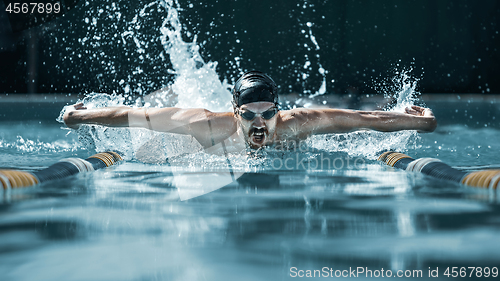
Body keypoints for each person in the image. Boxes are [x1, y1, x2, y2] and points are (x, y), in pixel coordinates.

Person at [63, 71, 437, 152]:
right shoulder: (208, 125)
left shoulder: (298, 124)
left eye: (268, 113)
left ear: (280, 110)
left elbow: (367, 121)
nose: (260, 123)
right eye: (248, 115)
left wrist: (423, 121)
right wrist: (77, 116)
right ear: (234, 111)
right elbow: (136, 115)